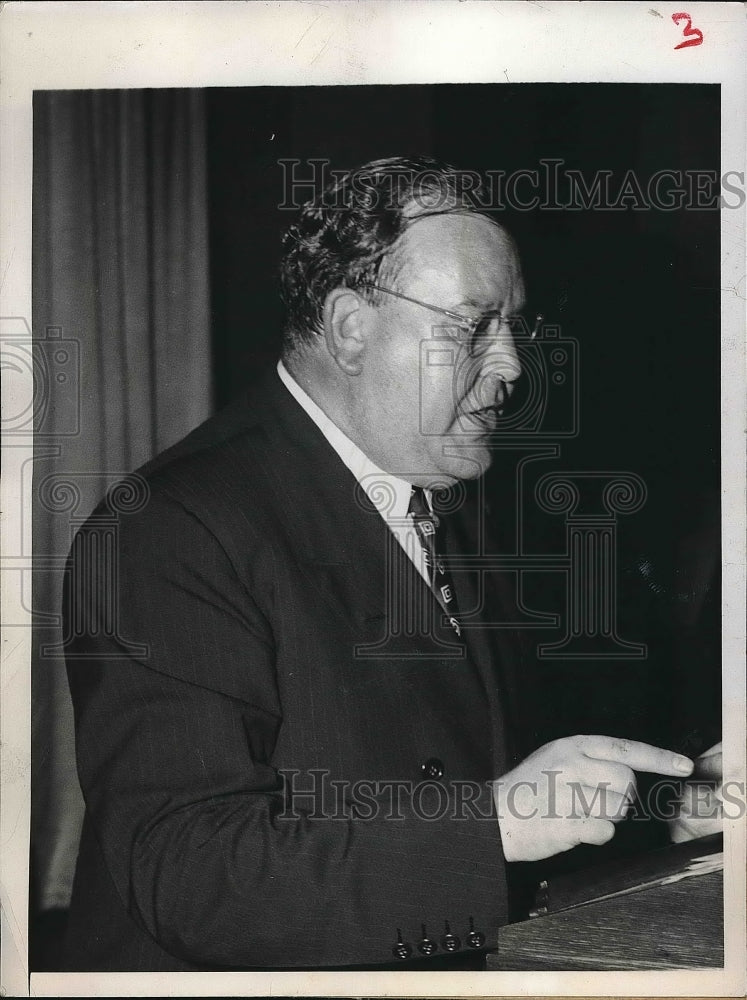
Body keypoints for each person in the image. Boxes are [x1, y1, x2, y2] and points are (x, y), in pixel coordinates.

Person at [63, 156, 701, 972]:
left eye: (515, 328)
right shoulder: (164, 533)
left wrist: (667, 803)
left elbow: (491, 780)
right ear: (349, 329)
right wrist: (498, 826)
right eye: (473, 327)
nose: (511, 365)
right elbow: (190, 873)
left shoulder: (447, 489)